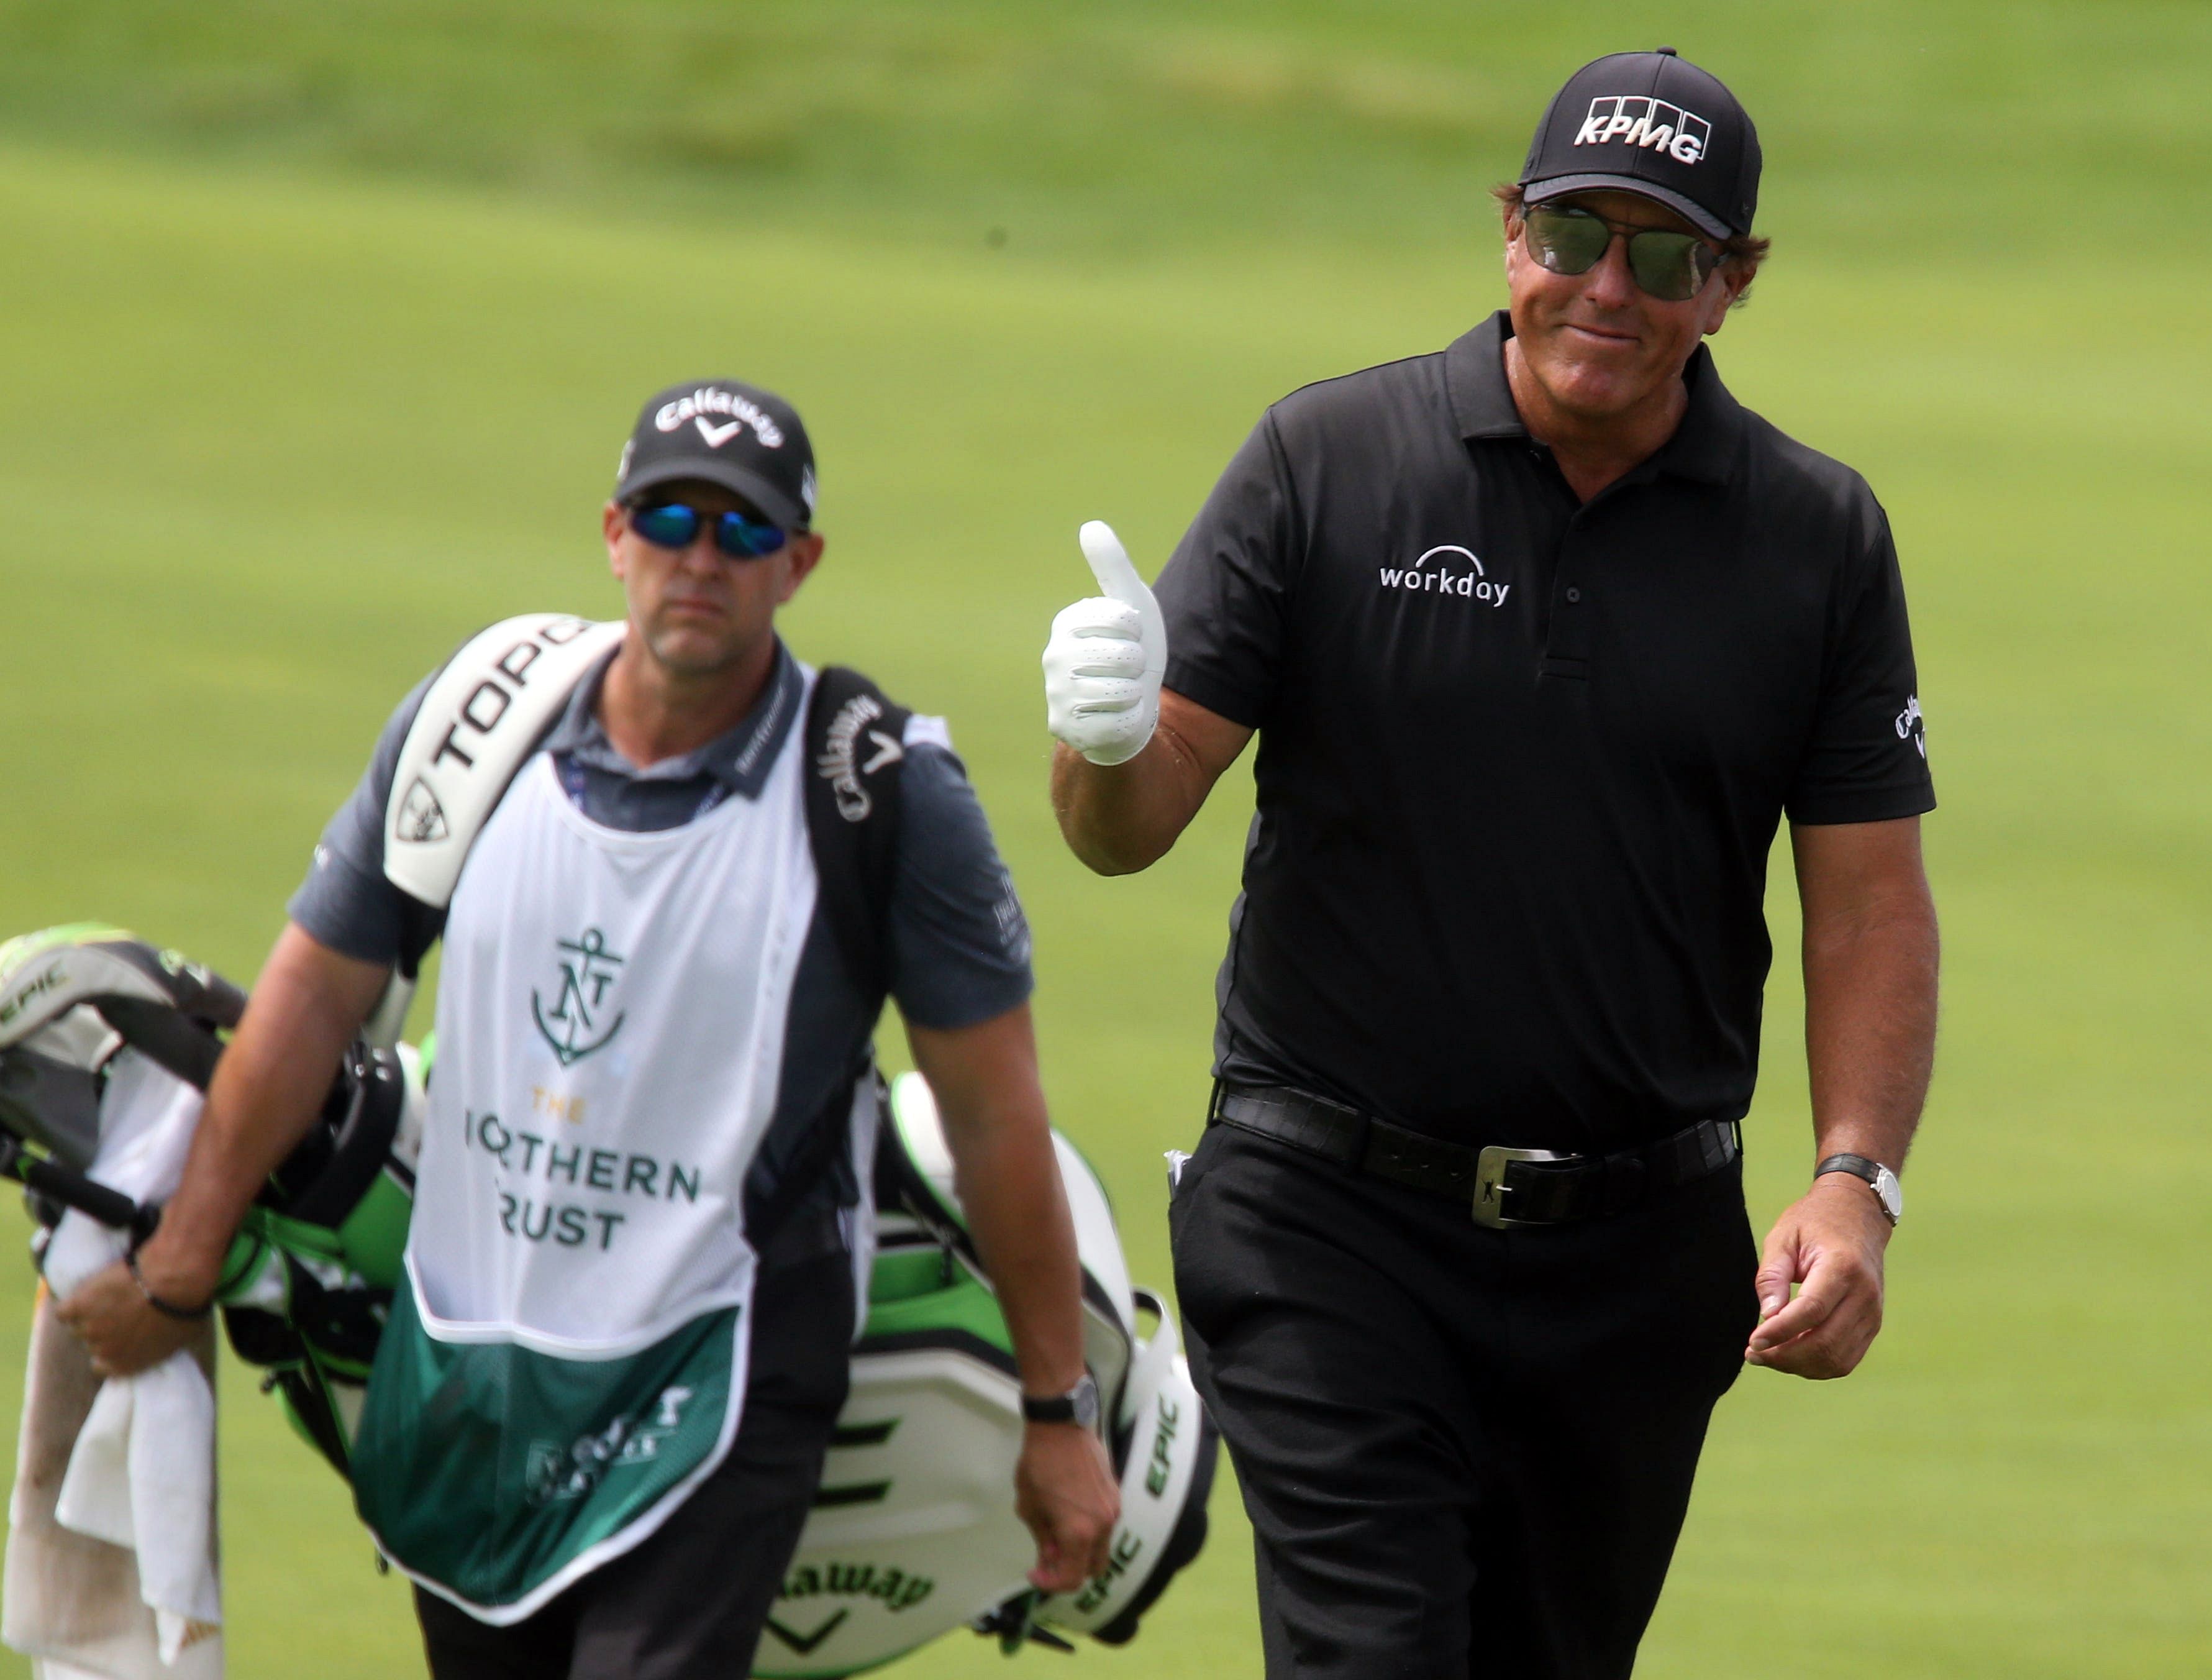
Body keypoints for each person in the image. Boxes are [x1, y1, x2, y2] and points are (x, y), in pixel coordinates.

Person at [1042, 48, 1937, 1680]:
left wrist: (1851, 1178)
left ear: (1730, 284)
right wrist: (1098, 744)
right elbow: (1130, 826)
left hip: (1634, 1259)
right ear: (1506, 231)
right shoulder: (1326, 461)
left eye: (1663, 256)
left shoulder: (1812, 539)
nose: (1606, 287)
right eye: (1570, 233)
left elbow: (1865, 899)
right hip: (1325, 1222)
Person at [61, 378, 1119, 1679]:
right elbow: (310, 999)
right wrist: (182, 1263)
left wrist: (1057, 1410)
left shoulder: (880, 791)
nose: (700, 559)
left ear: (800, 563)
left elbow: (995, 1115)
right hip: (471, 1355)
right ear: (614, 533)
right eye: (672, 517)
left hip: (724, 1359)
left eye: (743, 533)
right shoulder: (480, 726)